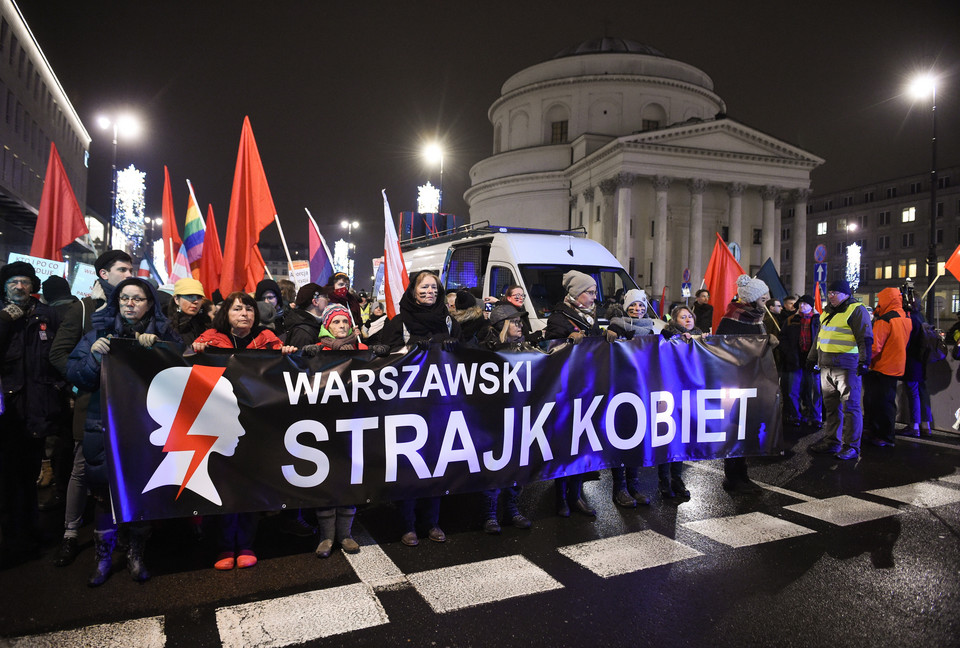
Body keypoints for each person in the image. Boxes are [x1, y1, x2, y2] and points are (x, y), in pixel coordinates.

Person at [67, 277, 181, 585]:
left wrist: (159, 349)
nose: (130, 304)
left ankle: (136, 554)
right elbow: (75, 374)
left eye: (137, 299)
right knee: (104, 496)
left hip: (146, 429)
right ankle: (103, 559)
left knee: (139, 493)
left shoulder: (164, 334)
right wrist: (93, 356)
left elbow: (182, 372)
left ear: (150, 304)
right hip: (104, 426)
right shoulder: (97, 334)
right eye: (124, 298)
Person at [192, 292, 296, 570]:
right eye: (238, 309)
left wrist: (284, 355)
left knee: (250, 485)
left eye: (249, 309)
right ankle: (225, 545)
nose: (245, 314)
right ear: (226, 313)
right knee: (225, 484)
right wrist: (196, 352)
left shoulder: (268, 340)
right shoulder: (209, 340)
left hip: (256, 425)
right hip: (221, 426)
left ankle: (247, 543)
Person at [48, 250, 133, 567]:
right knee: (82, 469)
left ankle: (121, 530)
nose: (128, 273)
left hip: (127, 406)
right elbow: (59, 354)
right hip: (93, 403)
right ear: (103, 274)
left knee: (121, 469)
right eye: (122, 269)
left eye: (131, 269)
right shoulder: (83, 309)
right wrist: (79, 381)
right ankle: (70, 533)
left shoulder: (136, 307)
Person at [379, 271, 460, 545]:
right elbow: (382, 354)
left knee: (436, 465)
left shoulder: (448, 321)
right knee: (409, 466)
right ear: (414, 291)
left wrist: (454, 346)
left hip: (440, 404)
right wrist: (406, 349)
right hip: (407, 404)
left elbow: (471, 354)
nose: (430, 292)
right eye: (424, 287)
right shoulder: (400, 322)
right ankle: (408, 525)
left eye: (434, 288)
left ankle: (432, 523)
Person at [0, 262, 66, 565]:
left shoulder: (46, 315)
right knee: (9, 476)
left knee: (28, 475)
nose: (19, 287)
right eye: (13, 281)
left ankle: (29, 530)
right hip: (8, 412)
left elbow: (59, 354)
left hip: (38, 410)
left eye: (25, 281)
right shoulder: (2, 316)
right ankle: (14, 537)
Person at [300, 304, 365, 557]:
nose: (341, 327)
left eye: (344, 322)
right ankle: (326, 537)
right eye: (336, 322)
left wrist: (380, 354)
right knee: (326, 481)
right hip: (325, 424)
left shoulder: (361, 349)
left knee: (348, 479)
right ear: (327, 325)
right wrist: (304, 356)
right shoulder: (318, 350)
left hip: (353, 422)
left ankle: (346, 535)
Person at [543, 270, 603, 517]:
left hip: (587, 387)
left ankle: (576, 494)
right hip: (566, 389)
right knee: (565, 444)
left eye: (594, 292)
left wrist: (605, 338)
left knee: (583, 444)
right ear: (576, 294)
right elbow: (549, 351)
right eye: (589, 292)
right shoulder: (559, 318)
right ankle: (561, 498)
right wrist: (567, 340)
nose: (593, 297)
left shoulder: (591, 318)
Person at [477, 304, 540, 533]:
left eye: (520, 321)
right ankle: (489, 514)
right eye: (514, 321)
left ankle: (512, 509)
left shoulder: (524, 347)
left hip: (518, 413)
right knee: (494, 466)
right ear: (502, 324)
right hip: (494, 418)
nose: (519, 325)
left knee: (517, 465)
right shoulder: (485, 349)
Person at [715, 274, 772, 492]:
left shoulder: (758, 319)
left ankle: (743, 473)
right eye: (763, 298)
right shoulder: (731, 319)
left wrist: (769, 345)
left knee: (749, 428)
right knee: (736, 428)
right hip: (735, 382)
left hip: (755, 381)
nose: (766, 300)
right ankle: (733, 476)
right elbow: (723, 350)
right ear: (752, 298)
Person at [808, 280, 873, 461]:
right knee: (831, 407)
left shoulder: (856, 310)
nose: (831, 296)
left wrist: (864, 362)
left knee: (851, 407)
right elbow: (819, 338)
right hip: (827, 366)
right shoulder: (827, 312)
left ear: (846, 294)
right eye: (830, 293)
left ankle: (852, 446)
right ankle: (832, 441)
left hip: (847, 367)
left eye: (835, 293)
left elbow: (865, 339)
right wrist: (812, 358)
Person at [604, 288, 656, 507]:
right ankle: (619, 489)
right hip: (619, 389)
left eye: (641, 306)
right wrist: (609, 337)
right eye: (633, 306)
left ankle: (634, 486)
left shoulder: (651, 329)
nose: (637, 309)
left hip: (641, 390)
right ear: (626, 308)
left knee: (636, 439)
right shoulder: (616, 326)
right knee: (620, 439)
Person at [658, 305, 701, 499]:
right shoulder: (667, 336)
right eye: (683, 317)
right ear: (674, 321)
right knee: (667, 439)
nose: (688, 320)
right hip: (669, 395)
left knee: (682, 441)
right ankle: (663, 481)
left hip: (689, 397)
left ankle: (677, 479)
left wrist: (703, 343)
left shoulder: (700, 338)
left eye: (690, 316)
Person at [863, 287, 911, 447]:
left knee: (879, 403)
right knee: (888, 402)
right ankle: (886, 434)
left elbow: (874, 347)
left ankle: (883, 435)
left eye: (880, 300)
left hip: (882, 367)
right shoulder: (904, 317)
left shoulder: (885, 320)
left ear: (886, 300)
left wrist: (863, 360)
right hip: (896, 365)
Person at [779, 295, 822, 428]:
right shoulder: (791, 320)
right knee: (794, 389)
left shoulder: (818, 320)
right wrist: (789, 353)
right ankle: (795, 415)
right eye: (800, 304)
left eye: (804, 304)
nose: (801, 306)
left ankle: (815, 416)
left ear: (811, 306)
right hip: (795, 359)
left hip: (813, 360)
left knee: (815, 390)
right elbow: (783, 338)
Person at [902, 299, 933, 436]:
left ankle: (914, 426)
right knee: (922, 391)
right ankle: (926, 426)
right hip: (921, 360)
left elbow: (906, 341)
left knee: (913, 392)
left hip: (911, 360)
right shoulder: (921, 317)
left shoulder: (910, 319)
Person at [284, 283, 330, 348]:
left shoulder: (315, 324)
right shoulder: (303, 332)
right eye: (325, 296)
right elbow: (300, 357)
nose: (328, 300)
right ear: (315, 302)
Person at [167, 278, 208, 346]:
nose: (196, 301)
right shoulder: (165, 326)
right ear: (177, 299)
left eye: (199, 297)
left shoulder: (206, 324)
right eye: (190, 296)